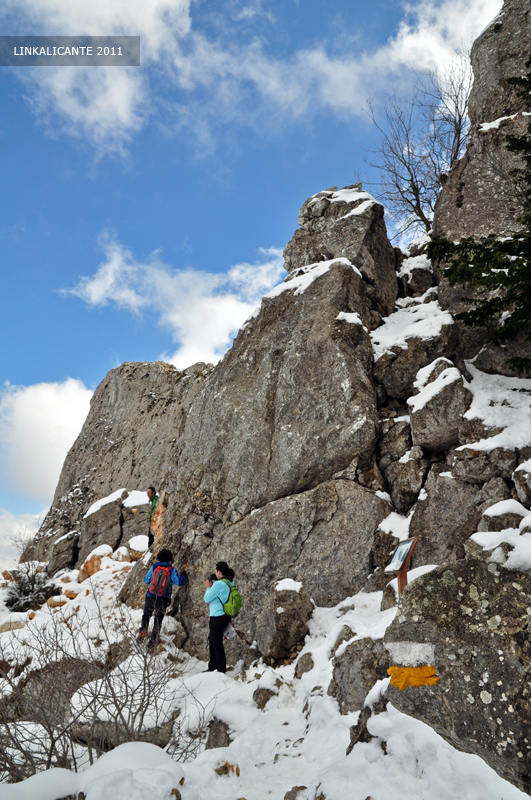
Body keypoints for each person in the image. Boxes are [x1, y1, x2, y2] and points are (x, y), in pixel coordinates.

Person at [138, 548, 185, 652]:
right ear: (170, 559)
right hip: (163, 599)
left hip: (150, 596)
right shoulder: (171, 569)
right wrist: (183, 576)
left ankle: (143, 630)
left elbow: (146, 580)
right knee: (157, 622)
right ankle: (152, 643)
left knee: (146, 615)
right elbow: (178, 582)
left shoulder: (155, 566)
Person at [203, 561, 235, 673]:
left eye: (216, 571)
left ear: (219, 571)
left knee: (216, 643)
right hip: (225, 615)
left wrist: (208, 587)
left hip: (217, 615)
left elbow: (207, 598)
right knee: (213, 640)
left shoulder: (219, 584)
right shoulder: (230, 582)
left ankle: (220, 669)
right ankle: (212, 666)